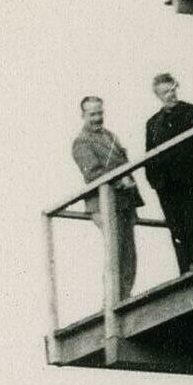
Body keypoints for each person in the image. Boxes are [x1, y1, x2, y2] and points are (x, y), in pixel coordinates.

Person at [143, 73, 193, 276]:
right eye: (165, 92)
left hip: (190, 179)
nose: (171, 95)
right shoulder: (153, 123)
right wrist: (154, 180)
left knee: (192, 222)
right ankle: (184, 270)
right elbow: (149, 154)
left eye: (173, 89)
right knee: (176, 228)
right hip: (165, 184)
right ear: (158, 95)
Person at [71, 95, 141, 300]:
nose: (97, 118)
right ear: (83, 115)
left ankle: (124, 297)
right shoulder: (81, 141)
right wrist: (120, 182)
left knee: (129, 253)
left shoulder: (110, 136)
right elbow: (92, 173)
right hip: (103, 204)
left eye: (100, 113)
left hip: (124, 202)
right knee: (115, 252)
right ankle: (112, 301)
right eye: (92, 114)